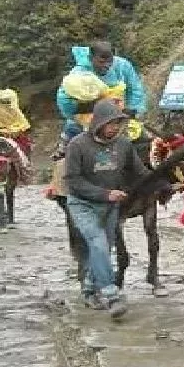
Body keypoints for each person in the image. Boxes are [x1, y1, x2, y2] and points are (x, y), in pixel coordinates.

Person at [63, 100, 148, 319]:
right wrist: (105, 194)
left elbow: (139, 172)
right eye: (111, 123)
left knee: (103, 248)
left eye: (119, 123)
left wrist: (165, 182)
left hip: (110, 206)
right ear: (99, 122)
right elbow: (72, 181)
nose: (116, 128)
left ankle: (89, 290)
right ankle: (111, 296)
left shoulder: (124, 145)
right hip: (83, 204)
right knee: (98, 243)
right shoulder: (77, 145)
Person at [55, 41, 147, 157]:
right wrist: (99, 106)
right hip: (88, 119)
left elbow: (135, 88)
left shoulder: (122, 65)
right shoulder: (78, 76)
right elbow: (65, 103)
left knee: (141, 140)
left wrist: (133, 108)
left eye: (110, 61)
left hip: (120, 115)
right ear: (91, 58)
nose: (107, 65)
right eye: (102, 62)